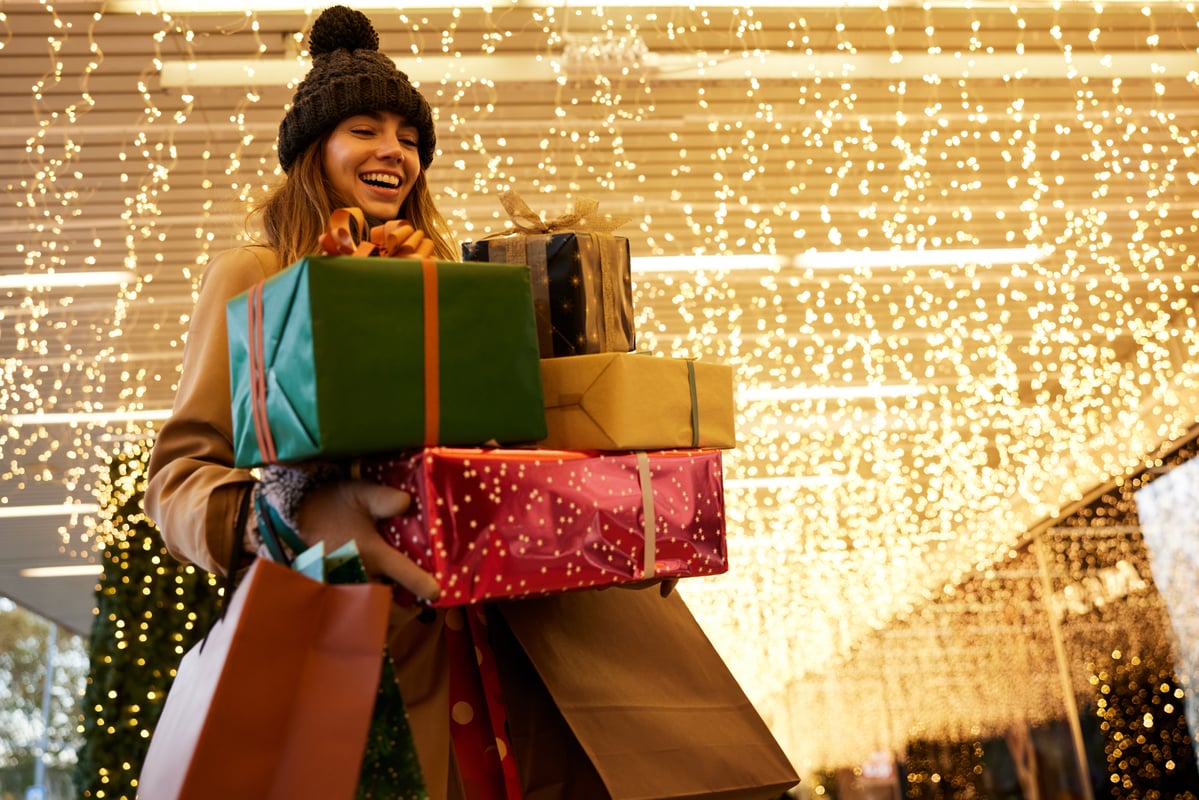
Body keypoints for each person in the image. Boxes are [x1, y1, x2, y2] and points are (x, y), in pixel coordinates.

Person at [145, 5, 466, 796]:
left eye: (410, 136)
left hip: (455, 647)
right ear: (312, 151)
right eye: (364, 127)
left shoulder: (453, 289)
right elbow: (177, 480)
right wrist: (277, 520)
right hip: (318, 637)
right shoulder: (254, 277)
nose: (395, 150)